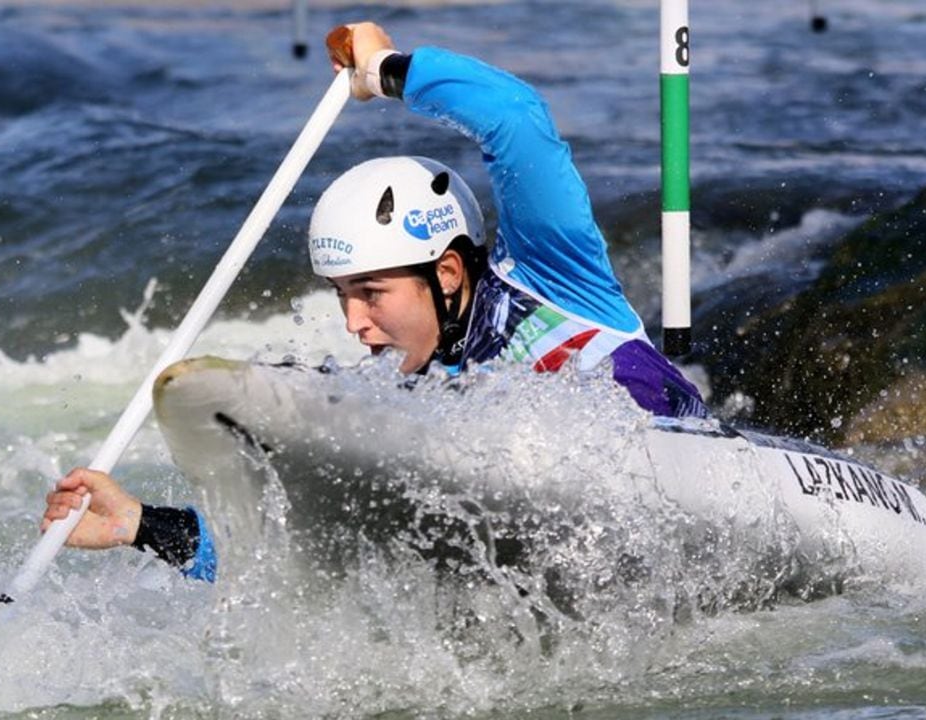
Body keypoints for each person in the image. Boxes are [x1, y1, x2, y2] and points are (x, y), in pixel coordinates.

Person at [41, 21, 708, 580]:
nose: (355, 323)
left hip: (695, 482)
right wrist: (139, 526)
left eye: (372, 292)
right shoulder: (402, 410)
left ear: (447, 272)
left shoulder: (554, 276)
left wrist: (386, 70)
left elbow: (515, 119)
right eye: (342, 296)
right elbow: (309, 543)